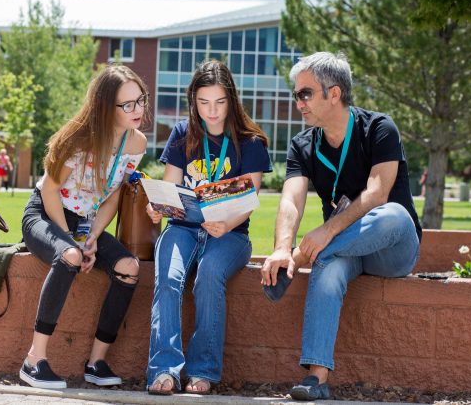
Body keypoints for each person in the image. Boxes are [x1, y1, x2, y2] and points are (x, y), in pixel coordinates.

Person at [260, 52, 422, 401]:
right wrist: (280, 248)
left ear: (334, 94)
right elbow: (291, 199)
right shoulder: (303, 145)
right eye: (296, 94)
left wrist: (307, 247)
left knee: (393, 213)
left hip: (390, 247)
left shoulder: (379, 128)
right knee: (329, 267)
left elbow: (378, 193)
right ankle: (316, 379)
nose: (298, 102)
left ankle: (301, 262)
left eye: (305, 93)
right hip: (345, 249)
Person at [145, 60, 272, 395]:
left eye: (219, 102)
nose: (211, 112)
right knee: (169, 278)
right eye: (203, 103)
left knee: (209, 275)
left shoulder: (251, 142)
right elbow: (170, 189)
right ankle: (165, 370)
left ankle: (204, 371)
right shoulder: (182, 134)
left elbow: (249, 200)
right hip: (183, 228)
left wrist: (225, 223)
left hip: (230, 234)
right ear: (193, 102)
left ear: (231, 99)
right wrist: (157, 207)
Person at [19, 65, 148, 389]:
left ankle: (96, 362)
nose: (138, 110)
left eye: (140, 100)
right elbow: (50, 190)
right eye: (128, 104)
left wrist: (90, 237)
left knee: (128, 267)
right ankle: (34, 360)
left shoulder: (136, 144)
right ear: (107, 107)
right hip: (46, 214)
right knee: (70, 258)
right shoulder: (78, 138)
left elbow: (114, 194)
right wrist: (71, 241)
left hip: (85, 220)